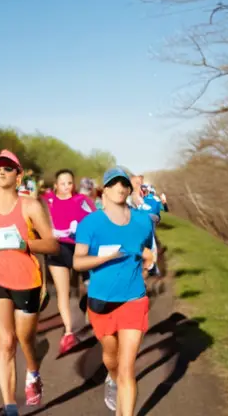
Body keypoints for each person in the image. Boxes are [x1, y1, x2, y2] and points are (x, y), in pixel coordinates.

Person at [0, 149, 59, 416]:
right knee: (5, 342)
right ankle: (10, 407)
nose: (2, 171)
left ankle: (33, 371)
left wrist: (24, 243)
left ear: (18, 176)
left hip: (26, 280)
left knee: (25, 339)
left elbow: (52, 244)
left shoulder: (30, 205)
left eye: (7, 168)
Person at [73, 167, 155, 415]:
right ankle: (111, 377)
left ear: (129, 189)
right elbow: (78, 262)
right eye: (114, 184)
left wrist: (148, 258)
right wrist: (104, 258)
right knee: (112, 358)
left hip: (133, 299)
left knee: (128, 367)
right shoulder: (91, 223)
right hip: (101, 301)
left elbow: (144, 249)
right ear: (105, 190)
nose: (120, 188)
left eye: (124, 184)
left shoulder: (142, 222)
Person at [42, 169, 96, 355]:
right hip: (57, 250)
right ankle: (69, 331)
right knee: (62, 292)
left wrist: (81, 230)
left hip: (80, 249)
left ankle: (93, 321)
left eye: (70, 183)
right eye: (63, 183)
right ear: (56, 185)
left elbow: (95, 222)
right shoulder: (47, 200)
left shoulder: (82, 201)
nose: (67, 187)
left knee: (93, 287)